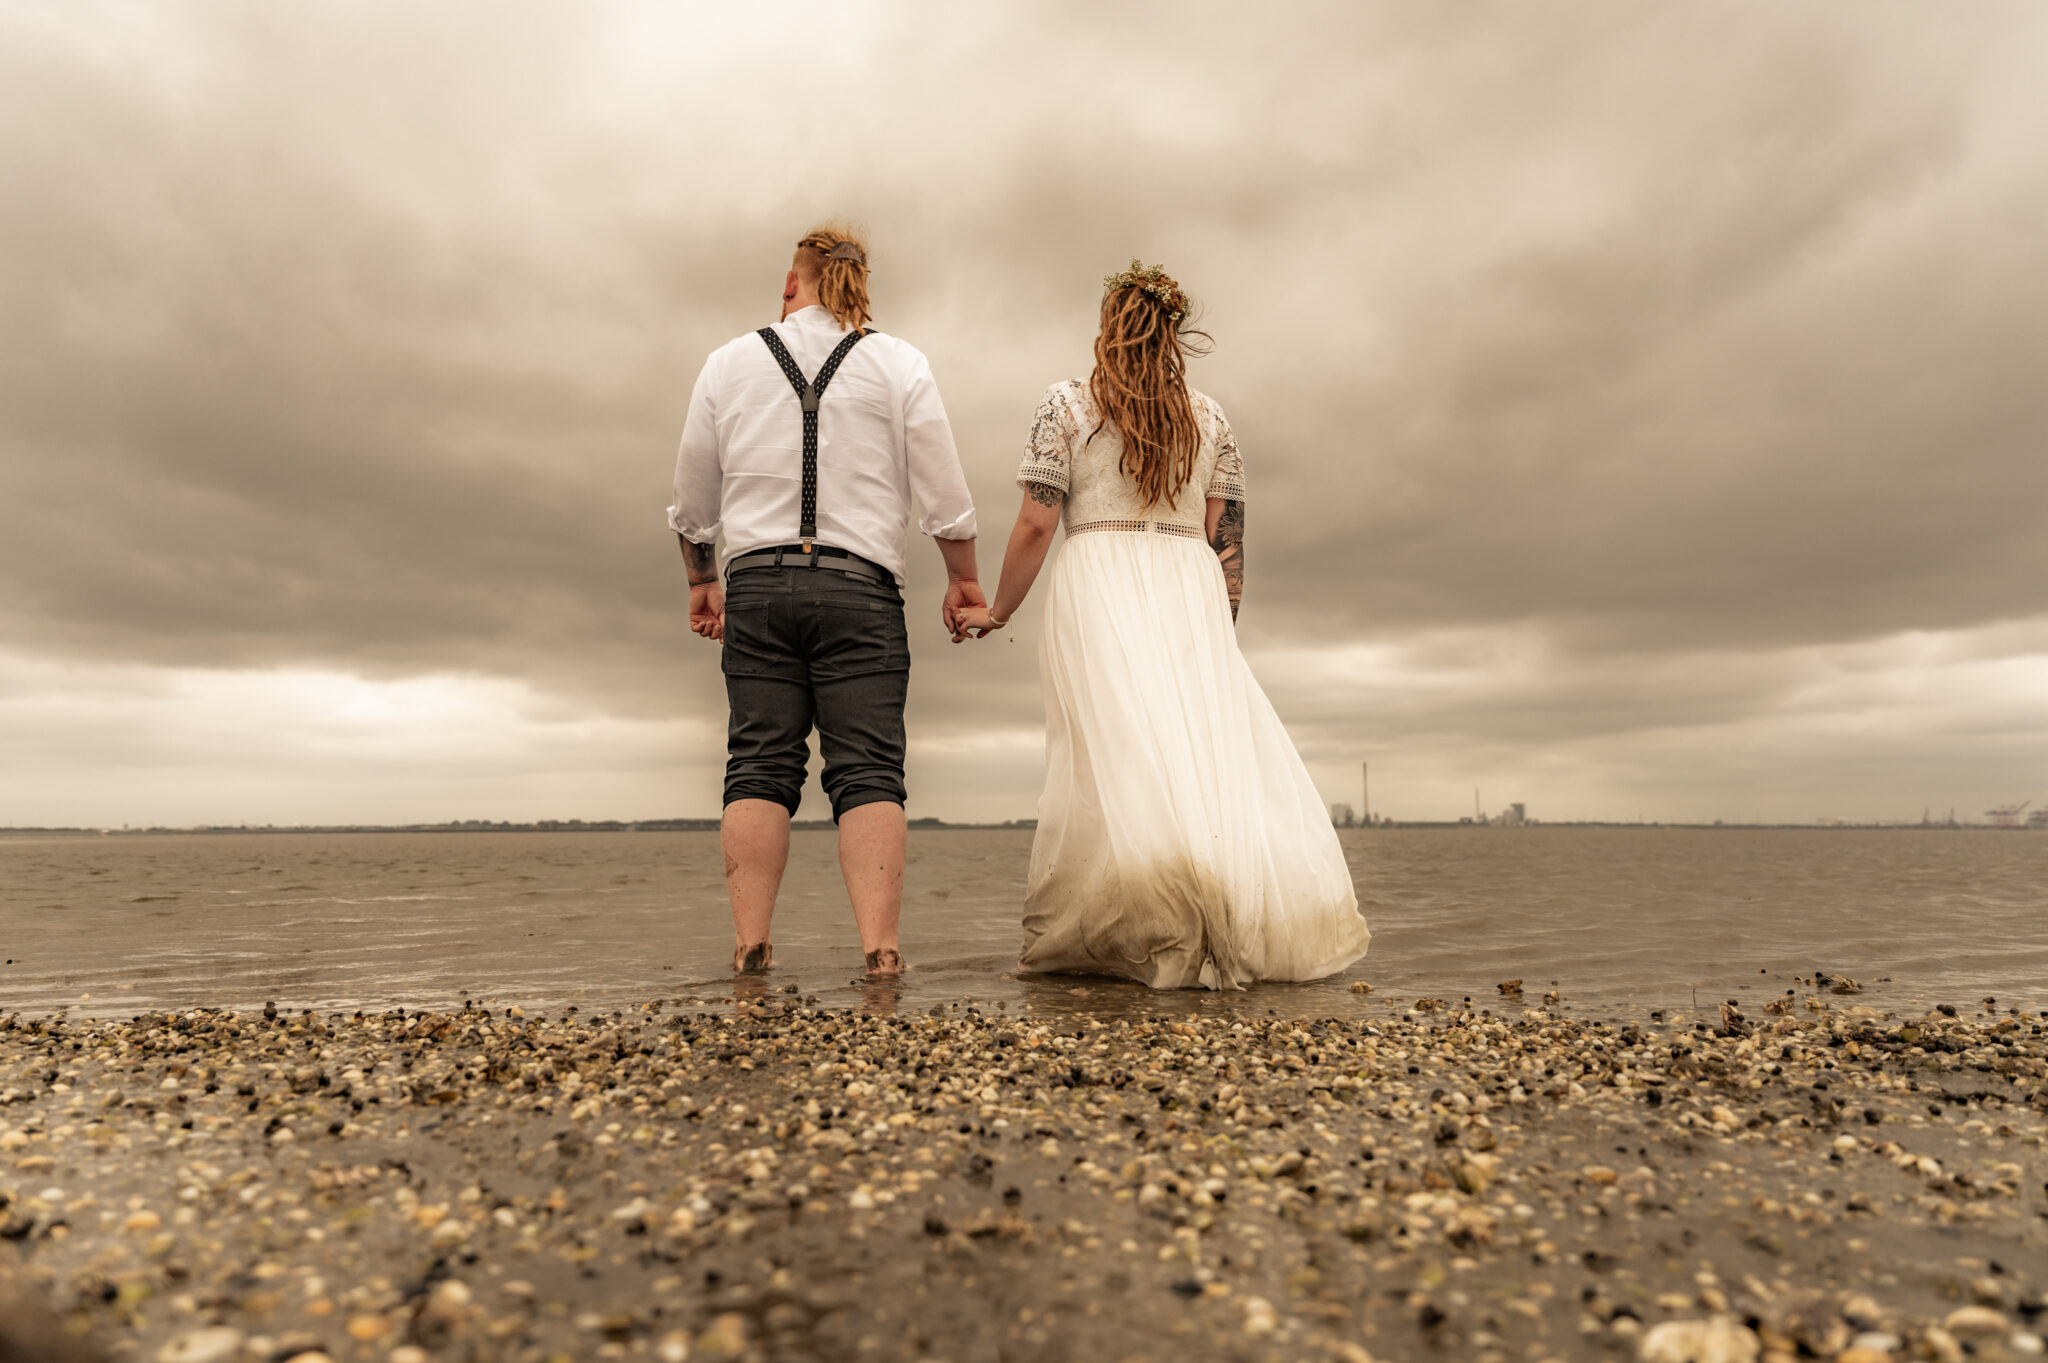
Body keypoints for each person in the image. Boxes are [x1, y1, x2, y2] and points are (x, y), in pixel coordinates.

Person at [953, 261, 1370, 989]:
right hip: (1190, 586)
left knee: (1109, 756)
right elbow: (1226, 538)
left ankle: (1132, 930)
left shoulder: (1066, 405)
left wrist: (999, 609)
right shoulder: (1210, 419)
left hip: (1100, 581)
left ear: (1110, 328)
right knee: (1193, 753)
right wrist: (1219, 630)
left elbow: (1034, 522)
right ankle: (1203, 920)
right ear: (1171, 334)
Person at [669, 224, 983, 978]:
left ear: (790, 282)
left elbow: (691, 504)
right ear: (858, 284)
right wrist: (962, 576)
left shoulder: (727, 362)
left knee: (757, 763)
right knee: (869, 768)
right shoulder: (900, 362)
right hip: (861, 589)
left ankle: (751, 949)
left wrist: (701, 581)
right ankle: (880, 953)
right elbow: (942, 492)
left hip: (759, 587)